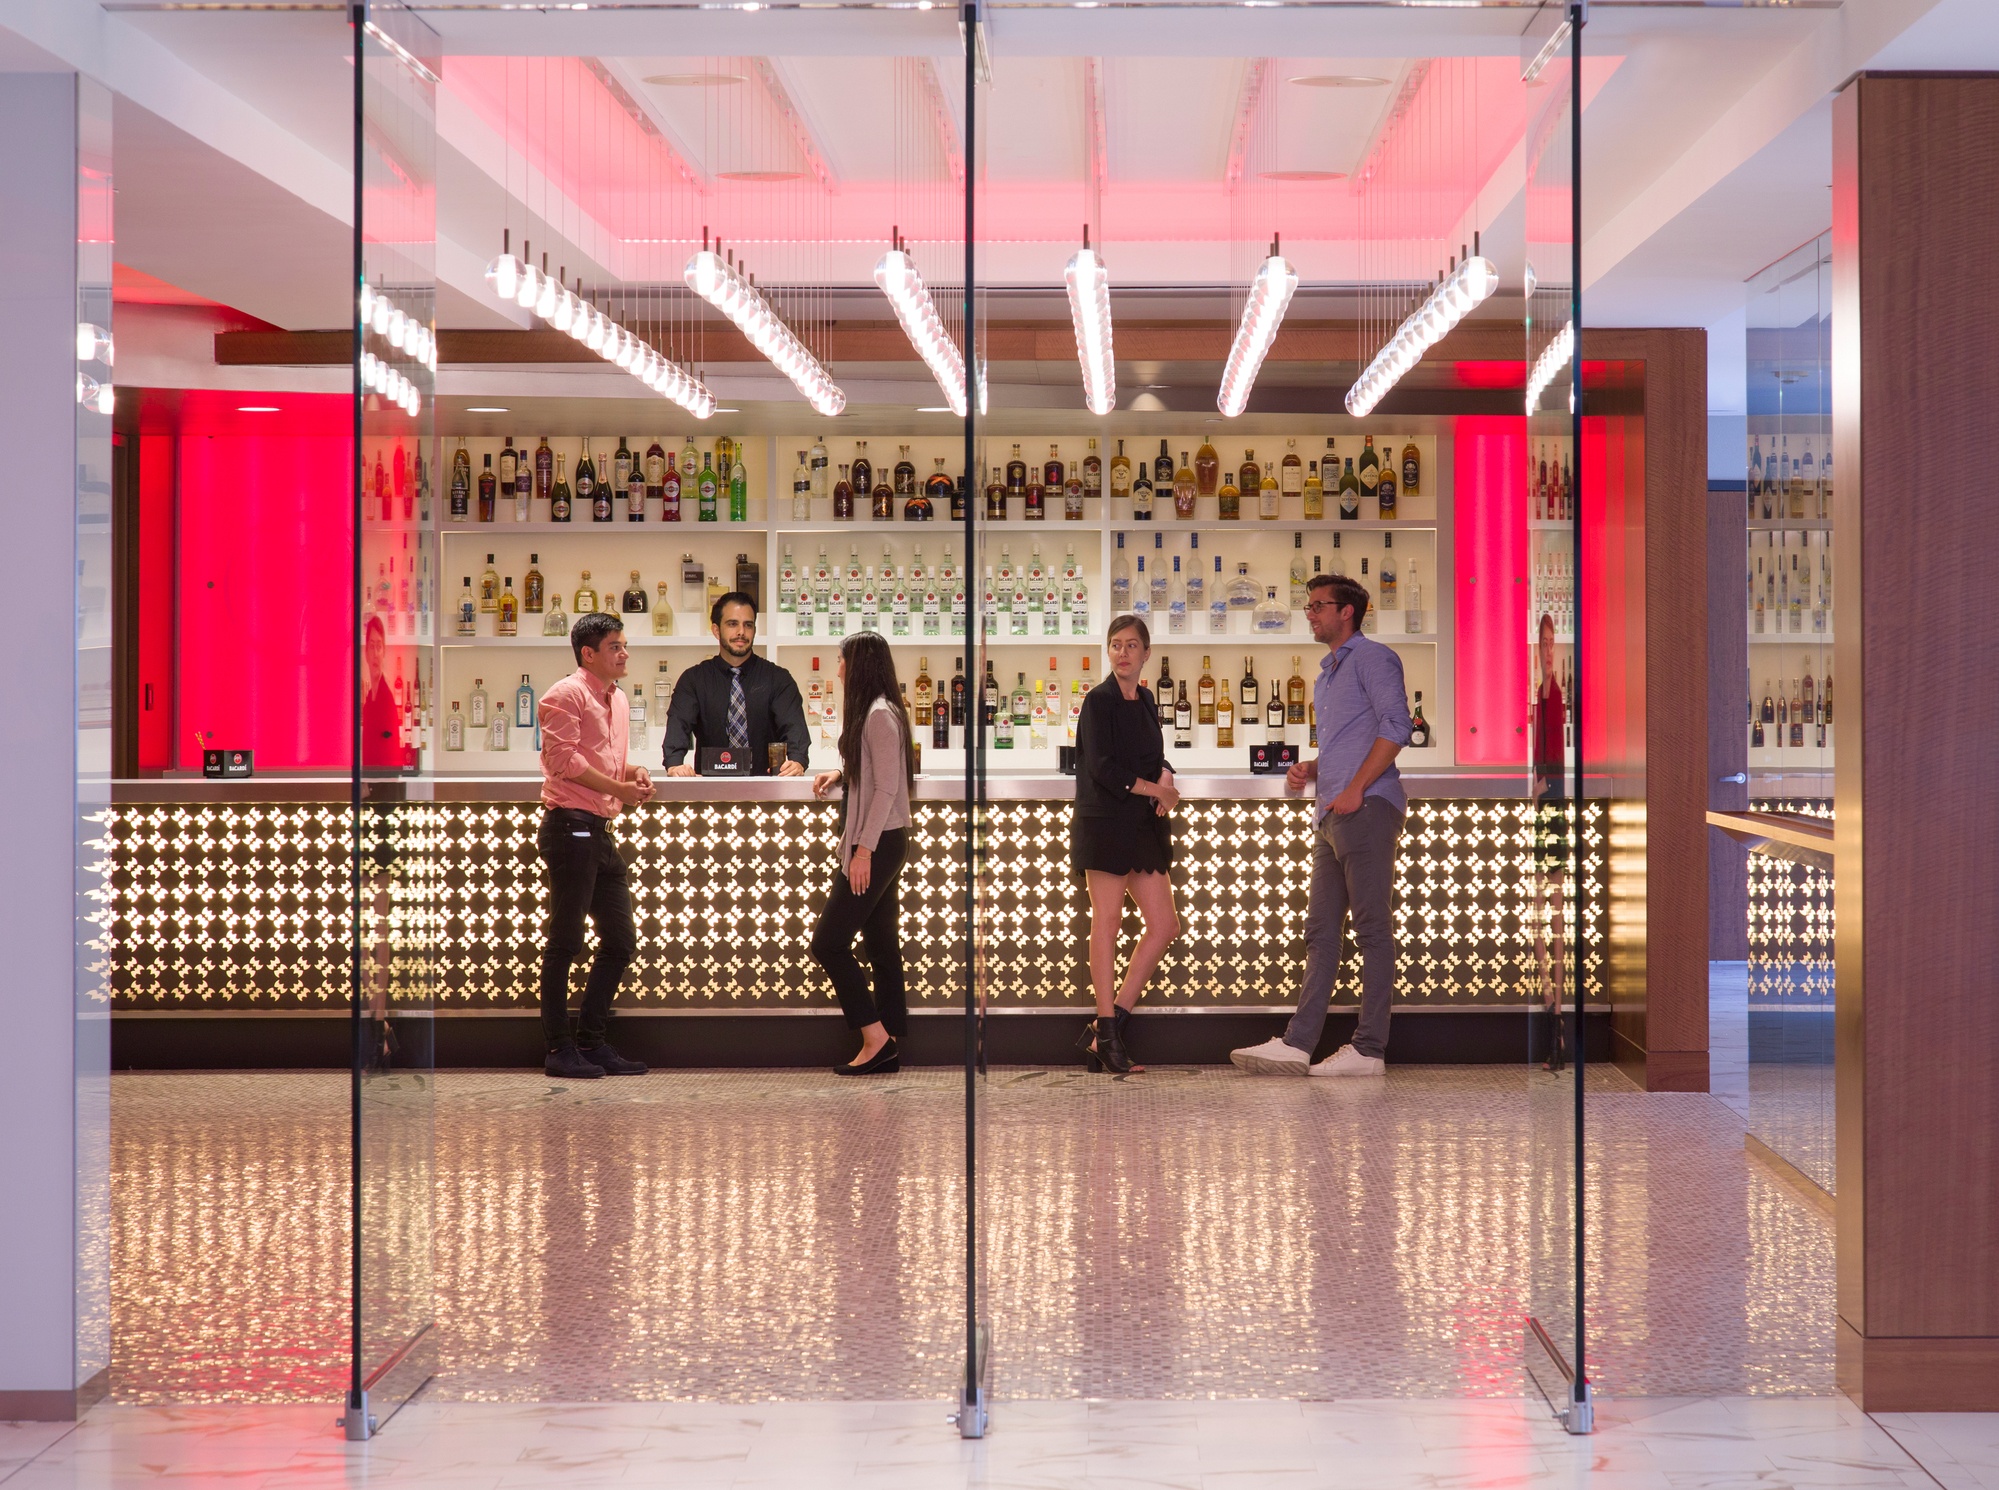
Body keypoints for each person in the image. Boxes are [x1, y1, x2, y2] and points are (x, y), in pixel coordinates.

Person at [1232, 573, 1411, 1078]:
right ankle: (1298, 1044)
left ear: (1346, 611)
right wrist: (1312, 768)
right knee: (1320, 933)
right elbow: (1351, 741)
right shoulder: (1327, 674)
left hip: (1366, 808)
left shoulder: (1374, 658)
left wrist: (1355, 788)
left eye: (1317, 606)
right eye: (1308, 606)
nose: (1309, 614)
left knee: (1372, 929)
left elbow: (1398, 726)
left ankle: (1370, 1049)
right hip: (1331, 814)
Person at [536, 612, 656, 1080]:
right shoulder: (564, 695)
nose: (624, 654)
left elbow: (605, 761)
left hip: (601, 832)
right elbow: (562, 761)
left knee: (620, 942)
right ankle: (558, 1048)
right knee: (565, 941)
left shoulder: (618, 698)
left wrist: (634, 774)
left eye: (624, 645)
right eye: (615, 647)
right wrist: (619, 788)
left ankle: (591, 1041)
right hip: (570, 828)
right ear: (588, 654)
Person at [1071, 613, 1180, 1075]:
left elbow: (1153, 755)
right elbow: (1102, 768)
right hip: (1105, 823)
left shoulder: (1147, 698)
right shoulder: (1098, 701)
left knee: (1165, 925)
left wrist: (1166, 774)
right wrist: (1157, 791)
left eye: (1131, 645)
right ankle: (1108, 1031)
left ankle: (1108, 1028)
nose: (1122, 652)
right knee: (1109, 922)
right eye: (1116, 644)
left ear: (1146, 653)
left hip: (1140, 826)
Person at [809, 632, 914, 1075]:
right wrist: (843, 773)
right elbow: (876, 771)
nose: (838, 669)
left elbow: (888, 788)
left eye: (842, 660)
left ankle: (875, 1038)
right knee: (880, 942)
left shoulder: (878, 716)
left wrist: (864, 850)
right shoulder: (879, 712)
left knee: (828, 943)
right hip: (882, 840)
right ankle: (890, 1039)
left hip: (878, 842)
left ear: (859, 666)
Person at [662, 591, 810, 776]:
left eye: (748, 625)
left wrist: (797, 761)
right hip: (709, 787)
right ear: (716, 630)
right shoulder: (693, 680)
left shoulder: (778, 678)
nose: (741, 632)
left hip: (766, 786)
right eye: (732, 624)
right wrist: (674, 765)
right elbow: (678, 725)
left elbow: (794, 727)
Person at [1532, 613, 1571, 1071]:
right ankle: (1552, 1011)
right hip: (1546, 806)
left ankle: (1556, 1014)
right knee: (1541, 912)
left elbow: (1551, 764)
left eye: (1550, 642)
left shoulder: (1552, 693)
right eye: (1541, 642)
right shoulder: (1543, 695)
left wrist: (1542, 792)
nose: (1545, 650)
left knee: (1552, 912)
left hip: (1552, 808)